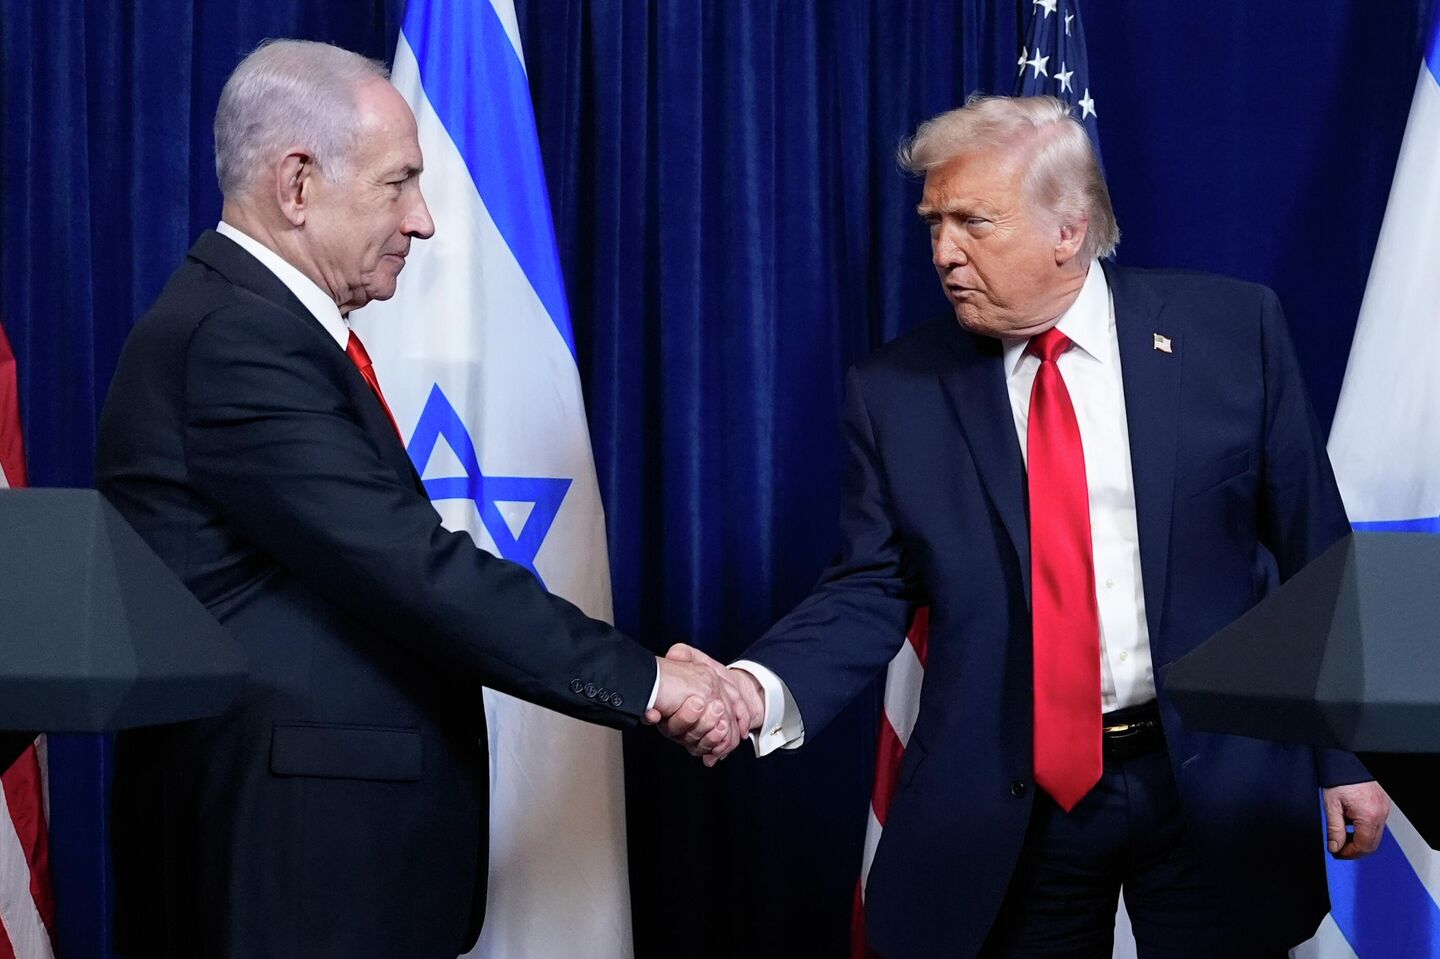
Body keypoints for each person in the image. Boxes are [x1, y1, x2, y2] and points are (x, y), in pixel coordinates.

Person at [664, 95, 1390, 958]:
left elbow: (1318, 550)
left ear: (1069, 230)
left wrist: (1352, 755)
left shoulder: (1234, 333)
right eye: (934, 222)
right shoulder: (895, 392)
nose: (943, 252)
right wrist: (756, 687)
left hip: (1213, 780)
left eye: (974, 222)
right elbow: (869, 587)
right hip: (1014, 803)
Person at [96, 40, 743, 959]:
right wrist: (653, 681)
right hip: (287, 869)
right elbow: (413, 567)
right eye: (399, 183)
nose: (426, 220)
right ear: (297, 185)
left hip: (324, 861)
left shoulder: (260, 328)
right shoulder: (234, 341)